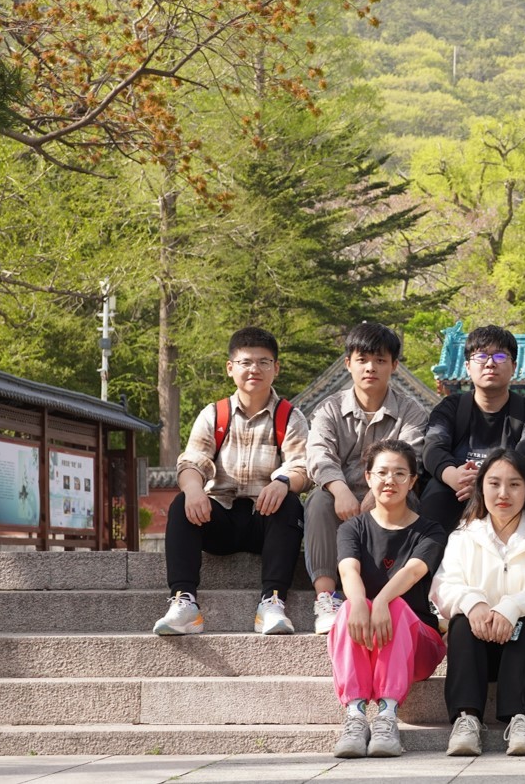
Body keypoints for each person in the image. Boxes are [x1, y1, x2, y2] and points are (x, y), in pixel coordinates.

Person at [154, 327, 308, 637]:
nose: (254, 369)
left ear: (276, 368)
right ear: (230, 368)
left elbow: (303, 467)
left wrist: (282, 482)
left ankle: (272, 603)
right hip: (218, 518)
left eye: (264, 362)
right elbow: (192, 461)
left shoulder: (290, 418)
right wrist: (194, 489)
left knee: (290, 503)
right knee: (182, 503)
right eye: (245, 362)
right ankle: (184, 602)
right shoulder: (214, 414)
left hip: (265, 520)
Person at [432, 448, 525, 757]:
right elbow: (445, 587)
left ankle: (523, 720)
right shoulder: (463, 536)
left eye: (514, 484)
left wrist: (512, 607)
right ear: (481, 487)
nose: (503, 493)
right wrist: (475, 604)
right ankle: (466, 720)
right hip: (478, 649)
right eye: (494, 483)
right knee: (461, 622)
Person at [305, 323, 428, 634]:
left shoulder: (411, 412)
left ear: (394, 365)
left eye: (380, 360)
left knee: (409, 502)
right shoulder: (329, 409)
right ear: (348, 363)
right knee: (318, 501)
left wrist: (375, 495)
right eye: (362, 359)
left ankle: (394, 592)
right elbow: (319, 455)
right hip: (341, 498)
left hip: (390, 495)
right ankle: (326, 597)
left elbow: (412, 456)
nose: (370, 367)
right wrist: (341, 491)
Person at [329, 439, 447, 759]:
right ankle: (355, 716)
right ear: (368, 478)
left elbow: (412, 572)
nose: (389, 480)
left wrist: (381, 601)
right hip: (367, 640)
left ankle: (386, 716)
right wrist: (359, 603)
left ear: (412, 481)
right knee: (349, 607)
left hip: (418, 646)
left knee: (395, 604)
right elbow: (349, 571)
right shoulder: (352, 528)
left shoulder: (430, 531)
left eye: (399, 473)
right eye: (381, 472)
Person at [420, 325, 525, 534]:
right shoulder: (449, 408)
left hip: (507, 491)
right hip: (456, 488)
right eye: (480, 356)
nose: (490, 363)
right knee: (436, 496)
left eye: (500, 356)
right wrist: (453, 476)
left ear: (514, 366)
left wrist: (485, 482)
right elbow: (433, 448)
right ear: (468, 366)